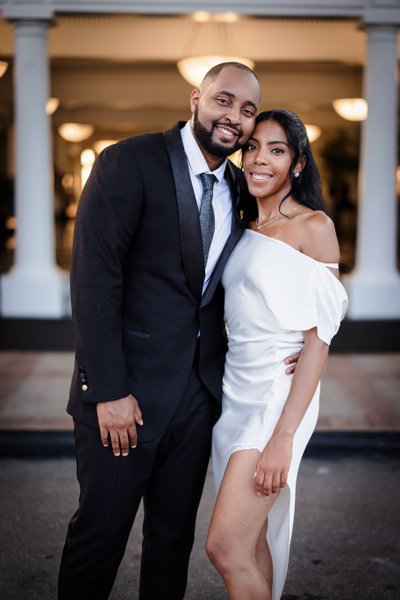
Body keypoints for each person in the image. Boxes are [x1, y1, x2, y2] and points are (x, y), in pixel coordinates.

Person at [58, 62, 299, 600]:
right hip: (126, 398)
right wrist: (110, 390)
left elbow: (262, 279)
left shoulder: (242, 188)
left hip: (198, 400)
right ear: (197, 97)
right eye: (224, 100)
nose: (233, 118)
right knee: (100, 537)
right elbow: (95, 282)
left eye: (247, 110)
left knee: (171, 543)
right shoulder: (127, 162)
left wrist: (298, 346)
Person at [206, 110, 348, 600]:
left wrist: (283, 437)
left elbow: (318, 338)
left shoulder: (314, 226)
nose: (259, 159)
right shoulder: (243, 227)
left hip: (274, 400)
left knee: (224, 547)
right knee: (251, 541)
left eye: (277, 149)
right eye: (253, 148)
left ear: (298, 164)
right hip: (234, 394)